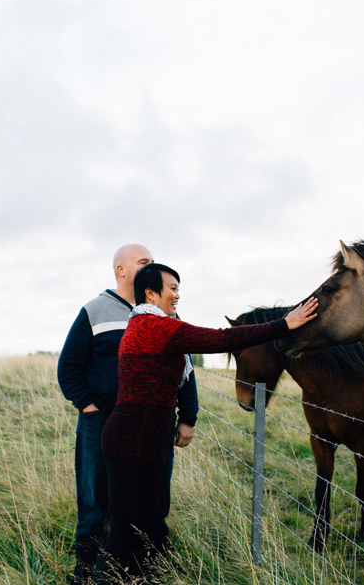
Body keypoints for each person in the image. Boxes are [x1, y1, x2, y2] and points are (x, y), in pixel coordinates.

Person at [97, 263, 318, 582]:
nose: (177, 295)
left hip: (142, 439)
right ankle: (112, 577)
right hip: (133, 441)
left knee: (143, 522)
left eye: (178, 288)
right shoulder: (156, 327)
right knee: (127, 530)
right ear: (150, 292)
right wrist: (283, 325)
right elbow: (223, 339)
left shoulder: (146, 324)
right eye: (172, 288)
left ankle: (141, 575)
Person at [57, 245, 199, 585]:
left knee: (153, 495)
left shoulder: (166, 316)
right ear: (121, 270)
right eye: (144, 262)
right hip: (102, 420)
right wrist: (90, 407)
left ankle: (148, 563)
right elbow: (69, 366)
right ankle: (88, 565)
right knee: (95, 495)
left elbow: (186, 370)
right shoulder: (95, 310)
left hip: (153, 423)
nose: (152, 268)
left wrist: (187, 417)